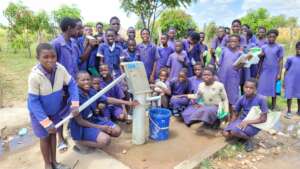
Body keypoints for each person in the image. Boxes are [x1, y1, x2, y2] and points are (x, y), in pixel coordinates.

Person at [28, 43, 79, 169]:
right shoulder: (34, 76)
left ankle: (55, 162)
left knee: (53, 134)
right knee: (45, 137)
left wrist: (75, 104)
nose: (50, 60)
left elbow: (72, 84)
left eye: (53, 56)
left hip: (54, 111)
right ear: (37, 58)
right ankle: (47, 164)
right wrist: (45, 122)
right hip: (39, 114)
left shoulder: (60, 69)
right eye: (45, 57)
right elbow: (33, 102)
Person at [69, 71, 138, 151]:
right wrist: (101, 128)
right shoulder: (74, 97)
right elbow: (80, 121)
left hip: (94, 119)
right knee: (105, 140)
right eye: (83, 80)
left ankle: (96, 135)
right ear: (77, 81)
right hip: (81, 126)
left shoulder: (91, 91)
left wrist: (128, 102)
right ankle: (79, 142)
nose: (86, 82)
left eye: (88, 79)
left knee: (117, 131)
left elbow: (107, 99)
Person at [51, 17, 80, 152]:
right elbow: (51, 67)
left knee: (73, 109)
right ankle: (60, 139)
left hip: (73, 84)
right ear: (69, 28)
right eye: (76, 28)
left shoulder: (73, 43)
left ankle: (71, 132)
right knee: (59, 112)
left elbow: (76, 63)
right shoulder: (56, 44)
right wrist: (56, 87)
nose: (77, 30)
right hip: (61, 86)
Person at [223, 78, 268, 152]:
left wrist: (247, 122)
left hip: (255, 123)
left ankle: (248, 139)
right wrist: (231, 123)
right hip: (243, 120)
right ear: (243, 87)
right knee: (225, 133)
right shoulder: (242, 98)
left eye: (251, 88)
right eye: (246, 87)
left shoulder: (261, 99)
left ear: (255, 89)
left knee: (234, 131)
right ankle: (242, 135)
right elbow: (235, 112)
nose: (248, 89)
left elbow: (264, 119)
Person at [257, 29, 284, 110]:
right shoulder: (264, 47)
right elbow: (261, 61)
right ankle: (262, 106)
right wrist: (258, 72)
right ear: (267, 37)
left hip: (274, 71)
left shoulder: (279, 47)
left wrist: (279, 73)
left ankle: (273, 106)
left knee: (273, 90)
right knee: (262, 89)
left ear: (276, 37)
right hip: (265, 71)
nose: (271, 38)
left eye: (273, 37)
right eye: (270, 36)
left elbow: (281, 61)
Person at [218, 35, 244, 116]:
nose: (232, 43)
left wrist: (240, 65)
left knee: (232, 97)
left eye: (234, 41)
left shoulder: (241, 53)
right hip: (222, 77)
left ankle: (232, 116)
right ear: (228, 42)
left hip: (233, 78)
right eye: (230, 41)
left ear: (238, 43)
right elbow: (219, 63)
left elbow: (241, 66)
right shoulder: (224, 51)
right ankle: (223, 115)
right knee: (222, 96)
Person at [283, 41, 300, 118]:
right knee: (289, 96)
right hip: (290, 80)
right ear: (296, 49)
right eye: (298, 49)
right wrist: (284, 81)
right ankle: (289, 111)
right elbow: (286, 70)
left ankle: (299, 110)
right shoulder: (290, 58)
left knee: (299, 96)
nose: (299, 50)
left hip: (298, 81)